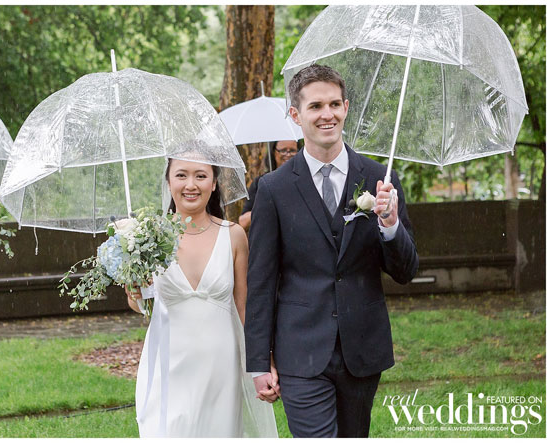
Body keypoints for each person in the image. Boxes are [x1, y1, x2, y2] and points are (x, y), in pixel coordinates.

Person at [245, 65, 419, 437]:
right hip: (299, 351)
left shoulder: (380, 179)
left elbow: (405, 271)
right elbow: (260, 281)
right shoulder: (272, 189)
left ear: (346, 107)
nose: (328, 114)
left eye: (335, 104)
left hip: (363, 348)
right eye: (316, 106)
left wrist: (390, 225)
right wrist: (259, 362)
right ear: (296, 115)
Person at [126, 158, 278, 437]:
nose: (191, 185)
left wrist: (263, 361)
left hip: (221, 364)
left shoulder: (233, 236)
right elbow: (142, 306)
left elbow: (244, 306)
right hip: (167, 361)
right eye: (181, 175)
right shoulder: (147, 238)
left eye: (200, 176)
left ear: (214, 183)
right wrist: (135, 292)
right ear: (169, 181)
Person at [238, 139, 301, 230]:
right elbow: (243, 222)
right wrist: (267, 206)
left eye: (292, 150)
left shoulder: (305, 179)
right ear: (274, 152)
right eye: (283, 150)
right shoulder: (262, 182)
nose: (288, 154)